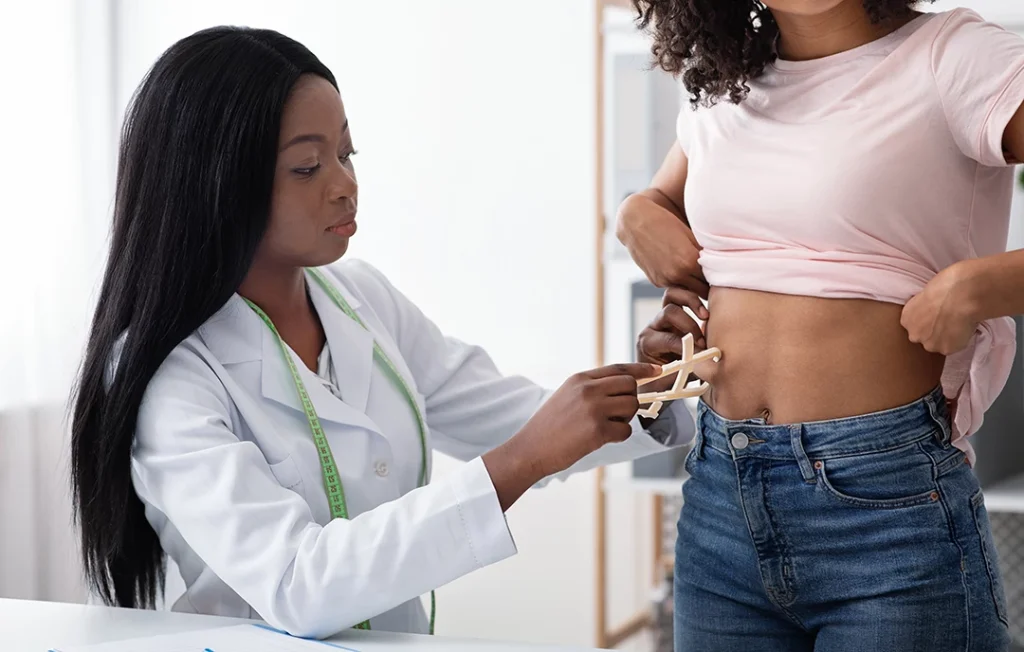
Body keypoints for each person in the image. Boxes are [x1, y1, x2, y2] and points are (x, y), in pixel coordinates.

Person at [68, 26, 700, 640]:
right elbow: (297, 583)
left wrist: (658, 388)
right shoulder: (168, 375)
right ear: (216, 182)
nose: (345, 186)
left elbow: (516, 417)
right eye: (308, 167)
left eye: (346, 155)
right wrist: (520, 461)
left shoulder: (361, 299)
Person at [619, 0, 1024, 650]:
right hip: (721, 496)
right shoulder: (725, 76)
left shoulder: (953, 56)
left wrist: (981, 286)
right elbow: (664, 198)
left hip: (886, 508)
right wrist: (635, 213)